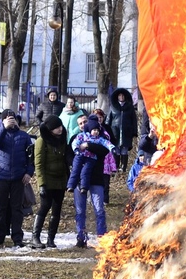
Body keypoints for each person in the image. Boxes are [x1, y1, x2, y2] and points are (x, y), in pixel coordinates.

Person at [0, 109, 34, 247]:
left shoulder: (24, 136)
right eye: (7, 118)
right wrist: (4, 127)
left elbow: (31, 157)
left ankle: (17, 237)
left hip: (18, 177)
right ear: (2, 120)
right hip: (1, 176)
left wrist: (29, 173)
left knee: (17, 208)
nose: (11, 120)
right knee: (0, 207)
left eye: (12, 118)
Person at [71, 117, 111, 248]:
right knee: (80, 210)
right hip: (79, 181)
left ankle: (102, 236)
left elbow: (103, 151)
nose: (82, 125)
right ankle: (81, 236)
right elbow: (70, 153)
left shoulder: (102, 138)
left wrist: (87, 145)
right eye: (81, 123)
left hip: (96, 179)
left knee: (99, 209)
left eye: (85, 123)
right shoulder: (76, 138)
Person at [31, 116, 70, 249]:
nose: (60, 129)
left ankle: (50, 239)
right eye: (56, 128)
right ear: (50, 130)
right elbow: (39, 164)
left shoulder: (63, 139)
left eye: (60, 126)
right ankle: (35, 237)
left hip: (60, 180)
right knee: (44, 207)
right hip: (47, 180)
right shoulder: (41, 141)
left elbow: (66, 159)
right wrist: (41, 184)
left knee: (57, 210)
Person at [105, 87, 138, 157]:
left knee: (124, 151)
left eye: (123, 95)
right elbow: (108, 119)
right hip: (115, 132)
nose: (121, 97)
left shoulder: (130, 107)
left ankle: (123, 167)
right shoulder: (113, 107)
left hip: (126, 132)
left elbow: (134, 120)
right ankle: (116, 166)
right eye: (120, 95)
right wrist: (106, 131)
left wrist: (134, 132)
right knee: (116, 151)